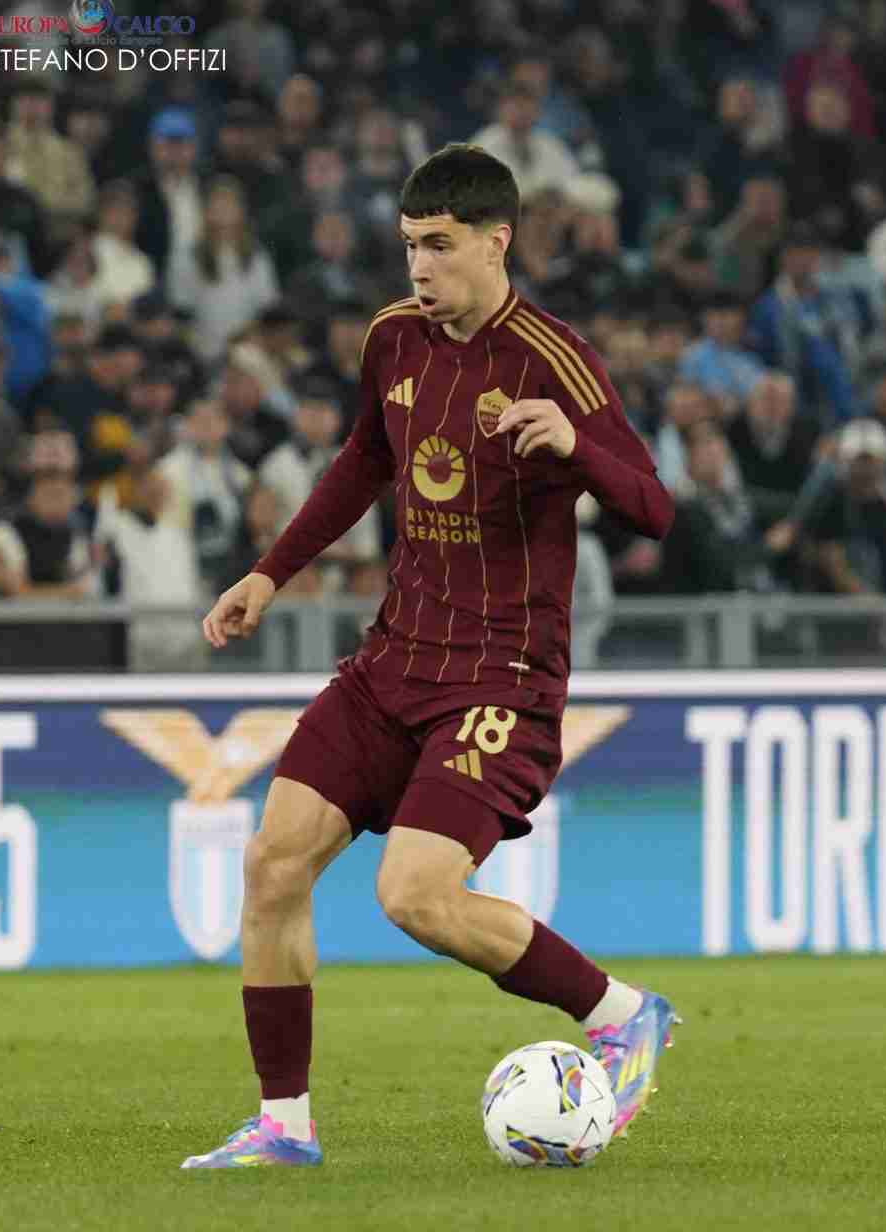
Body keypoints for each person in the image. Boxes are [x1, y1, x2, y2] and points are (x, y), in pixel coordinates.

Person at [184, 145, 678, 1171]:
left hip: (501, 677)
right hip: (394, 659)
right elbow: (366, 458)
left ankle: (621, 1013)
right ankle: (284, 1125)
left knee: (414, 893)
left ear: (498, 241)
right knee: (272, 863)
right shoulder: (393, 338)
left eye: (441, 245)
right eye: (411, 244)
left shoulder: (554, 360)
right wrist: (270, 573)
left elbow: (655, 508)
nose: (420, 266)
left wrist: (577, 448)